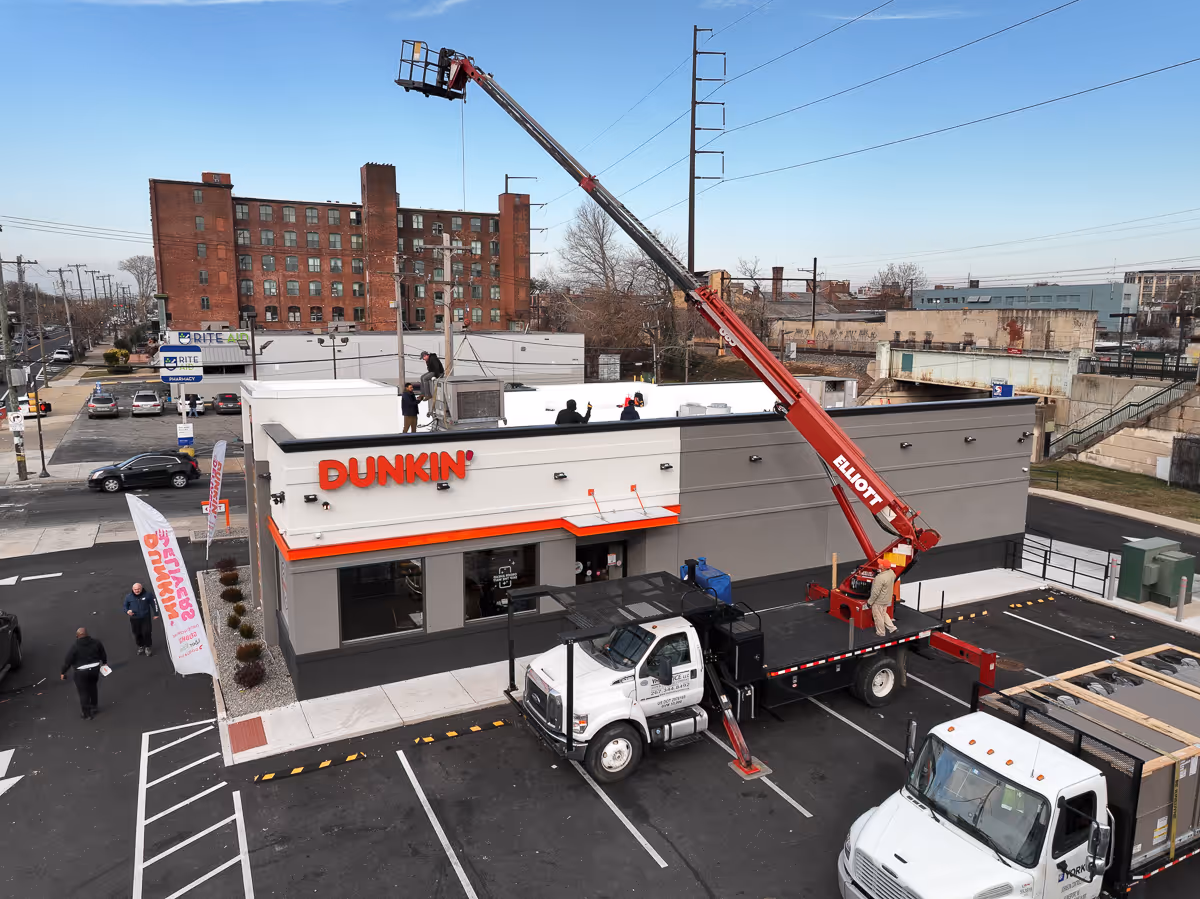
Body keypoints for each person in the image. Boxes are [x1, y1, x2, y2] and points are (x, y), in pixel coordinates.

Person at [60, 627, 107, 720]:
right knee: (93, 687)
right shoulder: (96, 642)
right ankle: (94, 706)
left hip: (81, 673)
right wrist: (104, 663)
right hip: (94, 669)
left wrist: (63, 672)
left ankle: (87, 714)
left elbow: (68, 661)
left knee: (83, 692)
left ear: (77, 636)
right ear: (87, 634)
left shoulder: (75, 646)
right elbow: (103, 654)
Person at [124, 582, 159, 656]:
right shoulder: (128, 597)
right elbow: (125, 606)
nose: (137, 591)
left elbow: (154, 603)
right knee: (137, 633)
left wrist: (156, 613)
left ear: (141, 588)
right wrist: (127, 611)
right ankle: (140, 646)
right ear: (132, 589)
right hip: (134, 619)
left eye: (138, 589)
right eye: (135, 589)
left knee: (147, 632)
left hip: (145, 618)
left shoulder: (148, 595)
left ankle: (148, 647)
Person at [867, 562, 899, 637]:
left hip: (879, 601)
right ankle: (892, 628)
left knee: (878, 617)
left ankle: (881, 632)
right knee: (883, 614)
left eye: (880, 564)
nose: (878, 564)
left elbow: (875, 592)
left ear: (883, 567)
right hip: (887, 599)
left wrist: (870, 602)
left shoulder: (880, 578)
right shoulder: (891, 573)